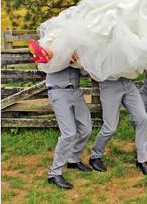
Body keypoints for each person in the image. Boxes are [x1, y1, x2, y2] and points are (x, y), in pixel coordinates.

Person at [32, 0, 147, 92]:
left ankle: (144, 11)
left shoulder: (65, 37)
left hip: (84, 39)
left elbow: (71, 38)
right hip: (87, 46)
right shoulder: (66, 52)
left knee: (110, 15)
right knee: (112, 19)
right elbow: (81, 53)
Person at [89, 77, 147, 176]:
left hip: (127, 82)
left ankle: (142, 160)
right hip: (109, 85)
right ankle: (95, 156)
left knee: (142, 118)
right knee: (110, 128)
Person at [47, 54, 93, 190]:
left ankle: (73, 159)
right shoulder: (53, 43)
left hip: (75, 91)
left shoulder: (77, 44)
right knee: (69, 133)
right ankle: (54, 173)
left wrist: (82, 60)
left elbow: (85, 72)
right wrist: (66, 57)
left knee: (86, 128)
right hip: (58, 91)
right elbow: (46, 65)